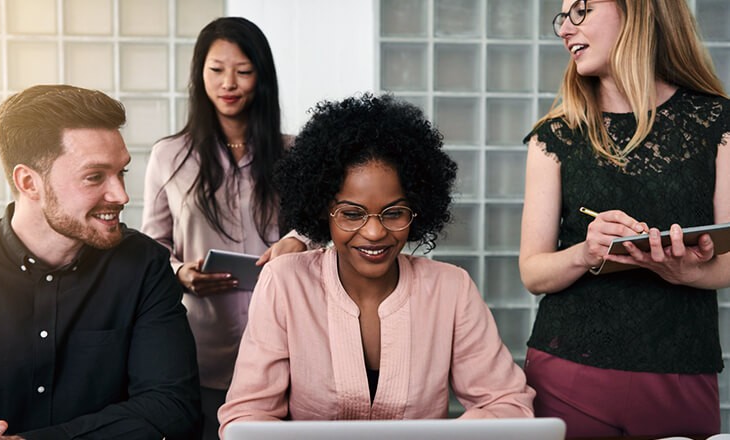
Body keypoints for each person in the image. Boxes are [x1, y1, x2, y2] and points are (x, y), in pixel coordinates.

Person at [217, 93, 535, 437]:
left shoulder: (451, 289)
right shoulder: (284, 283)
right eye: (352, 214)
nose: (374, 232)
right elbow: (245, 418)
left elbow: (509, 406)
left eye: (394, 213)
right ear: (324, 210)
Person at [520, 0, 730, 437]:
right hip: (567, 374)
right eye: (563, 17)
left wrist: (685, 271)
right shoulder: (554, 136)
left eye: (582, 10)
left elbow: (728, 260)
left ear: (639, 11)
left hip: (682, 374)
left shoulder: (719, 123)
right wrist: (585, 253)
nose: (565, 28)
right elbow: (533, 272)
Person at [0, 84, 201, 439]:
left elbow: (172, 408)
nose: (121, 195)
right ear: (29, 182)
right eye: (94, 177)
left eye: (122, 173)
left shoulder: (144, 264)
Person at [141, 16, 305, 439]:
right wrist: (180, 272)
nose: (228, 83)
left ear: (261, 78)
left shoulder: (293, 152)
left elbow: (321, 224)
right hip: (201, 342)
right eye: (216, 70)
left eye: (243, 71)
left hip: (285, 339)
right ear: (200, 74)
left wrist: (296, 240)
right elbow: (151, 243)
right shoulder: (170, 155)